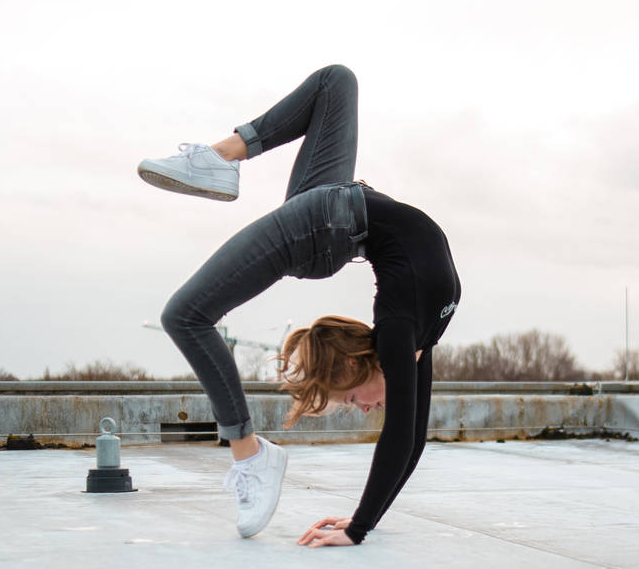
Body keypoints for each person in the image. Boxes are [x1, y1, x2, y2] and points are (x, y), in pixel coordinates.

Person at [140, 64, 461, 544]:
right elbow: (405, 439)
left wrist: (361, 524)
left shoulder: (407, 334)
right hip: (327, 219)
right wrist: (360, 526)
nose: (361, 407)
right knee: (337, 81)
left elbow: (407, 440)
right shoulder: (401, 334)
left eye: (351, 399)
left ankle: (248, 453)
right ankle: (221, 156)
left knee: (186, 315)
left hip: (330, 219)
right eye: (354, 398)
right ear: (358, 360)